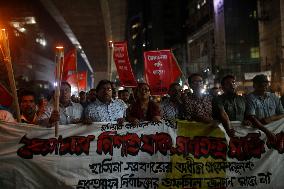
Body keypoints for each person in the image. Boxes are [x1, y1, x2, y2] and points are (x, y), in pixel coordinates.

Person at [246, 74, 284, 144]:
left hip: (275, 129)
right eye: (260, 84)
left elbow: (282, 113)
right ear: (254, 86)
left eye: (265, 84)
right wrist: (267, 132)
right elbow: (252, 118)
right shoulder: (251, 98)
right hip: (259, 132)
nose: (263, 86)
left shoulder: (273, 96)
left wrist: (271, 118)